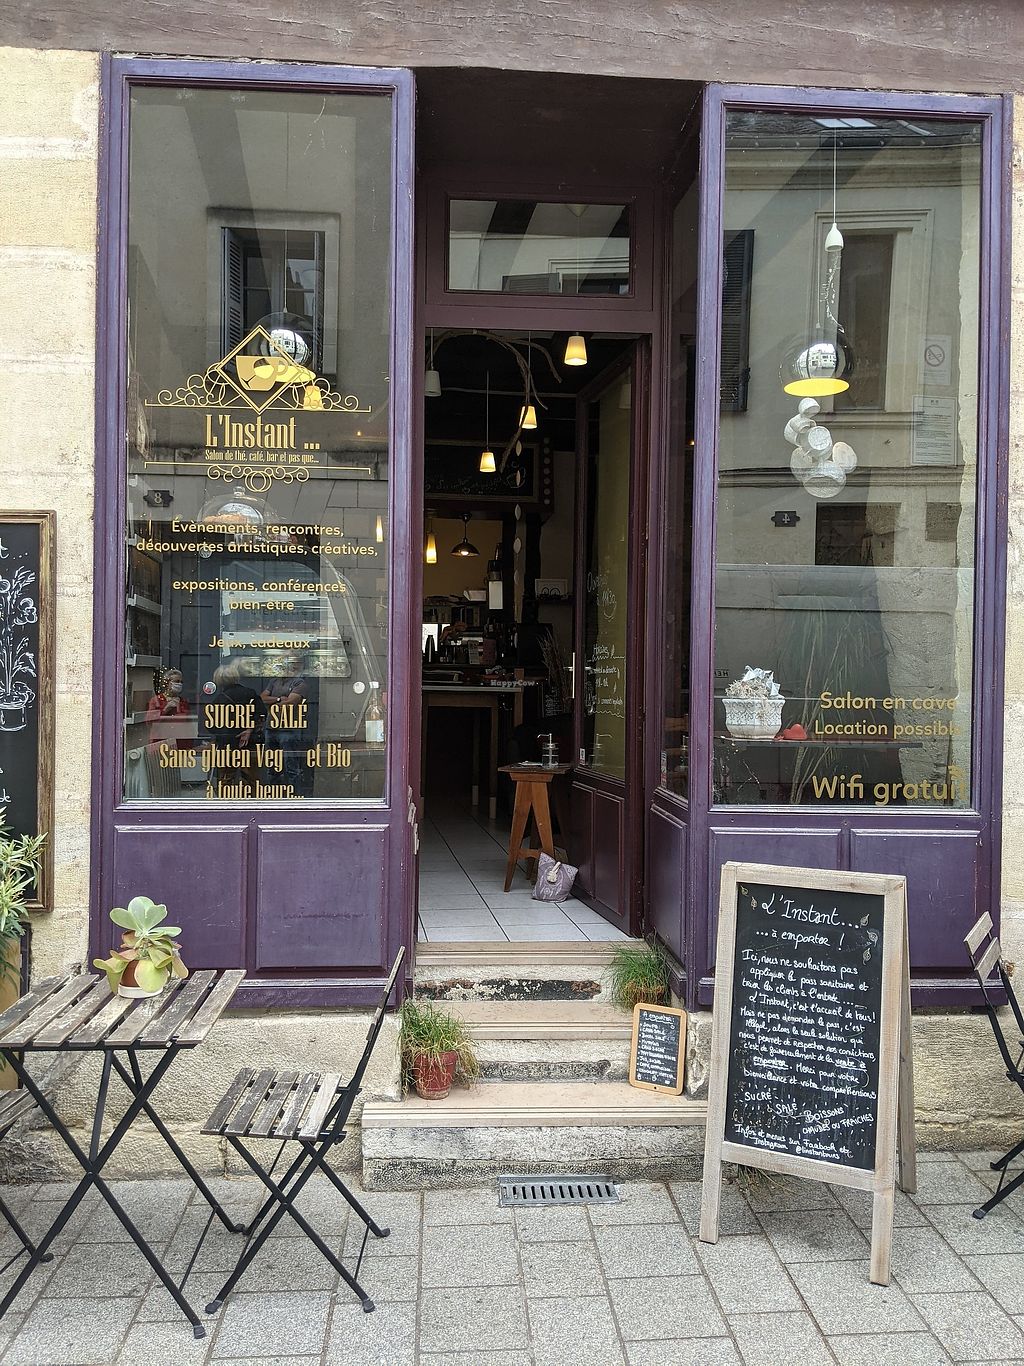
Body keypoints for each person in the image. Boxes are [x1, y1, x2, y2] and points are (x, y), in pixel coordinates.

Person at [206, 662, 267, 797]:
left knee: (226, 778)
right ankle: (254, 803)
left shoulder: (219, 699)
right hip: (250, 743)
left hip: (227, 743)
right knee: (252, 779)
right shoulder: (250, 693)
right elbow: (262, 714)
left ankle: (226, 804)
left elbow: (211, 726)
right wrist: (249, 730)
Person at [261, 651, 315, 795]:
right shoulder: (274, 681)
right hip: (271, 727)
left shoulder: (299, 683)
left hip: (288, 728)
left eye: (287, 662)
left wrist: (273, 702)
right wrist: (279, 699)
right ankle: (273, 795)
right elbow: (262, 698)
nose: (282, 666)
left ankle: (295, 796)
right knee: (271, 765)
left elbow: (290, 703)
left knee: (291, 766)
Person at [145, 667, 192, 749]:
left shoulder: (183, 702)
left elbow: (188, 725)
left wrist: (189, 746)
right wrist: (165, 710)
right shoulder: (156, 700)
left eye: (181, 682)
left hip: (180, 744)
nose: (180, 684)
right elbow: (149, 723)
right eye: (177, 681)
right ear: (167, 683)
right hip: (161, 743)